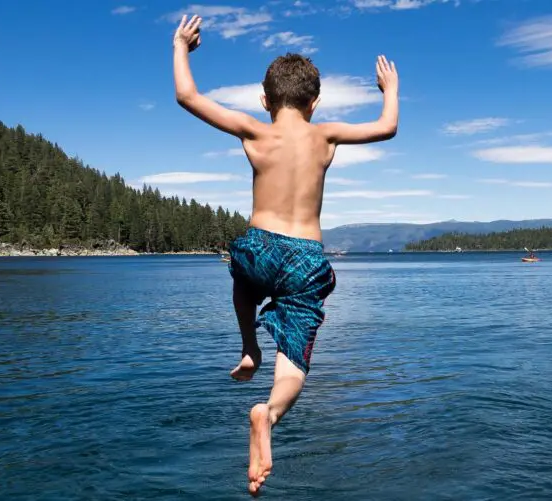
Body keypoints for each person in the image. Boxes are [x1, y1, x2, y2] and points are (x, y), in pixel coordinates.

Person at [171, 15, 399, 495]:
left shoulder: (254, 131)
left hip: (259, 244)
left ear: (264, 99)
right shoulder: (326, 135)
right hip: (305, 258)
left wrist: (181, 47)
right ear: (315, 103)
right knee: (295, 353)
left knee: (243, 271)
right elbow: (387, 127)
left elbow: (187, 97)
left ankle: (249, 345)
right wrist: (389, 88)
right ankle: (269, 414)